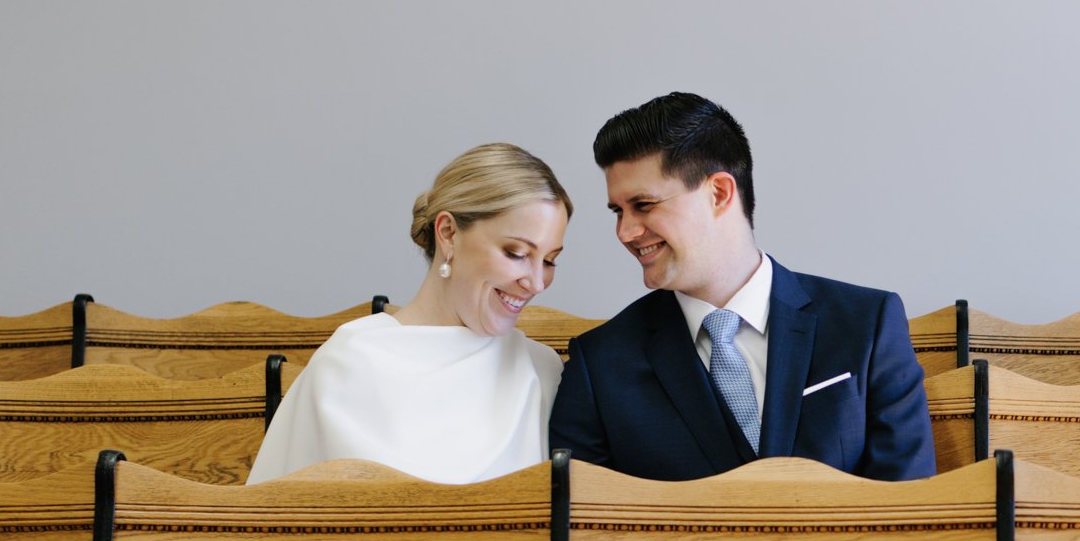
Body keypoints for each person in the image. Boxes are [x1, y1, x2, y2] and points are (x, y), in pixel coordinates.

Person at [548, 92, 934, 480]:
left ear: (719, 193)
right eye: (618, 211)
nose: (625, 232)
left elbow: (908, 508)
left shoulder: (867, 323)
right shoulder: (599, 364)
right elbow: (587, 530)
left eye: (643, 205)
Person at [248, 144, 572, 483]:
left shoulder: (541, 371)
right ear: (448, 233)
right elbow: (279, 519)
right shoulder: (348, 364)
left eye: (550, 261)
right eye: (516, 253)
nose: (536, 282)